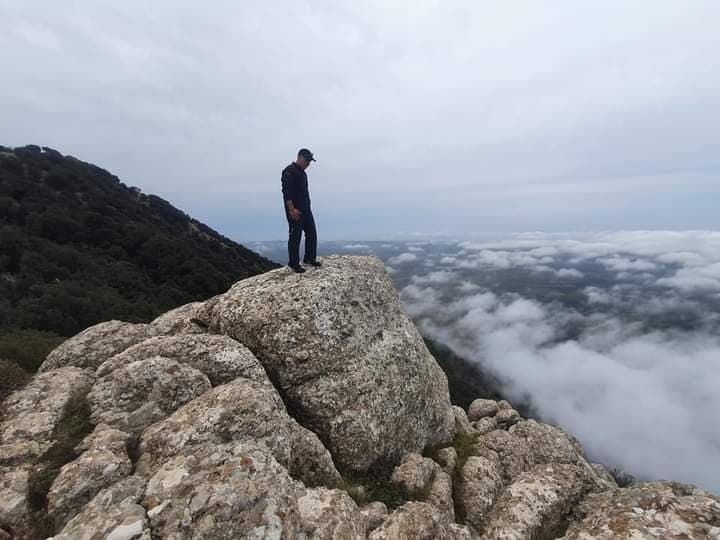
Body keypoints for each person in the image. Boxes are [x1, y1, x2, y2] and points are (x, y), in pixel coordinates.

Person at [281, 148, 321, 273]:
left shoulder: (303, 173)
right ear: (300, 158)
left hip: (306, 209)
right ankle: (293, 263)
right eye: (307, 161)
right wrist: (291, 210)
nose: (308, 164)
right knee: (295, 236)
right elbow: (286, 193)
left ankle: (309, 258)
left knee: (312, 233)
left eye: (310, 161)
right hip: (295, 210)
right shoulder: (289, 171)